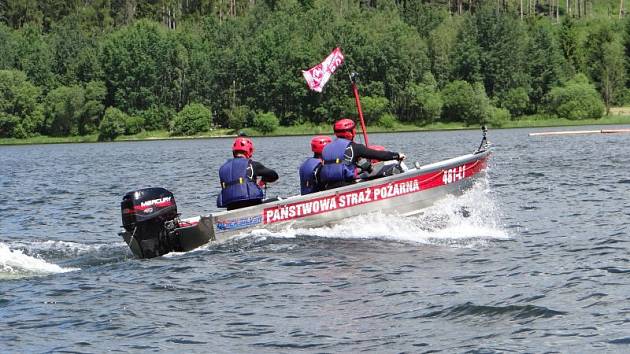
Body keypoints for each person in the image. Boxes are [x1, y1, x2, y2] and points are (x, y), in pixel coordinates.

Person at [319, 118, 405, 189]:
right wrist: (397, 155)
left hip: (328, 187)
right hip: (347, 186)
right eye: (353, 130)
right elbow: (377, 154)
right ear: (350, 133)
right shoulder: (354, 147)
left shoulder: (326, 148)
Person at [217, 136, 279, 210]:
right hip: (252, 203)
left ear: (234, 152)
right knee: (278, 200)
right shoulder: (252, 164)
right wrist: (263, 180)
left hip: (231, 207)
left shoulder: (222, 168)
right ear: (249, 151)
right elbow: (274, 175)